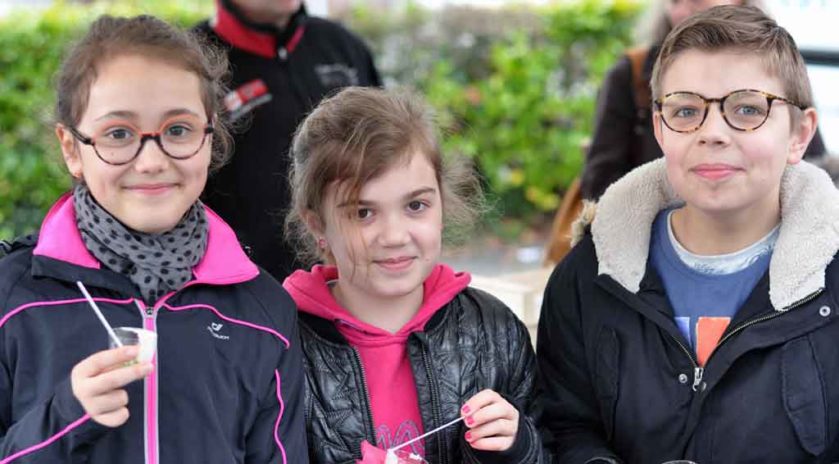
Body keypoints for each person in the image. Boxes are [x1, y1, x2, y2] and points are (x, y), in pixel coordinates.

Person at [537, 5, 839, 463]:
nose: (712, 132)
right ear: (660, 129)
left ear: (800, 134)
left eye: (747, 109)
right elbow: (566, 424)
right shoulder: (588, 278)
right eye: (686, 110)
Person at [0, 15, 307, 463]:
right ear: (72, 149)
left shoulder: (264, 310)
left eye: (177, 130)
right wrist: (63, 417)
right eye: (119, 134)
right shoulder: (12, 297)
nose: (150, 161)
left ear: (209, 136)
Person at [282, 87, 547, 463]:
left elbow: (548, 449)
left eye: (415, 205)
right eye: (363, 213)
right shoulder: (280, 346)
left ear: (442, 203)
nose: (394, 236)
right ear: (317, 225)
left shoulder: (494, 332)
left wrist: (518, 448)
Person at [195, 0, 381, 282]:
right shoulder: (191, 62)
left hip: (352, 278)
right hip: (246, 289)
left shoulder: (343, 45)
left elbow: (387, 153)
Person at [578, 0, 826, 200]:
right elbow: (600, 179)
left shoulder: (779, 69)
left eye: (748, 109)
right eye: (686, 111)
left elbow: (813, 166)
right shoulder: (630, 74)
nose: (684, 9)